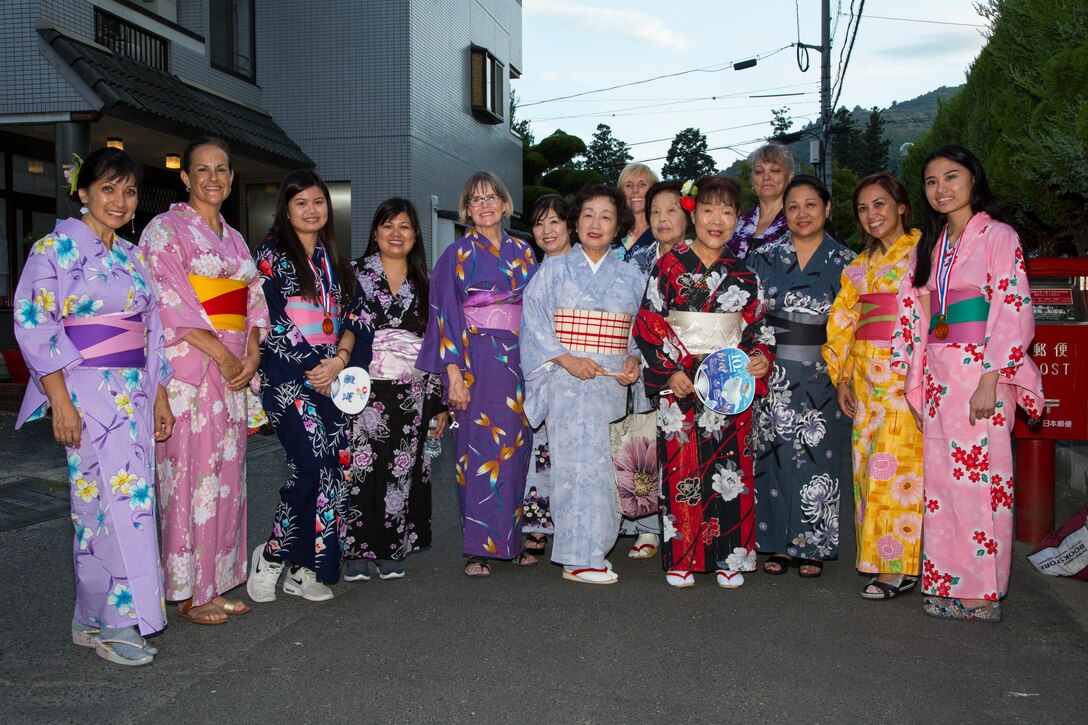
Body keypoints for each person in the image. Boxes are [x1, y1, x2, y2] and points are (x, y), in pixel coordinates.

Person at [14, 148, 174, 665]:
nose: (119, 201)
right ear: (82, 192)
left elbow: (153, 331)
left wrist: (160, 395)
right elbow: (35, 324)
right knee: (103, 507)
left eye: (129, 192)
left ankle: (91, 618)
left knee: (126, 505)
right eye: (107, 189)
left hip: (133, 391)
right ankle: (115, 622)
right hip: (84, 390)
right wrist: (59, 400)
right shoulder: (54, 249)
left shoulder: (132, 257)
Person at [895, 145, 1043, 622]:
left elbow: (1013, 304)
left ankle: (982, 590)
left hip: (981, 370)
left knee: (982, 482)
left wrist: (992, 376)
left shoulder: (998, 236)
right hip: (939, 372)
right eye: (932, 181)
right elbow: (917, 311)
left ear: (973, 181)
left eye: (951, 177)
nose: (941, 188)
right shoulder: (934, 245)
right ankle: (946, 581)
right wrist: (915, 379)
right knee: (943, 485)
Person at [140, 136, 269, 624]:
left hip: (231, 371)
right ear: (185, 177)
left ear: (232, 178)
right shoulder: (164, 231)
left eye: (221, 170)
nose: (213, 178)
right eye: (202, 170)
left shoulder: (234, 238)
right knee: (191, 482)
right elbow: (168, 301)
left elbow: (253, 301)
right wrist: (223, 353)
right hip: (194, 371)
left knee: (226, 481)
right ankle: (189, 592)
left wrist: (252, 352)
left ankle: (212, 581)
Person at [633, 176, 773, 588]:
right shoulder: (669, 265)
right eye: (709, 210)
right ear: (693, 214)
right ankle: (683, 557)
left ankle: (732, 559)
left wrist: (760, 358)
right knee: (682, 469)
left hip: (729, 383)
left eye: (728, 211)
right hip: (680, 382)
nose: (718, 220)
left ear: (736, 219)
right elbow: (650, 323)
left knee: (732, 471)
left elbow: (759, 329)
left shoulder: (745, 276)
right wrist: (670, 371)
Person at [244, 170, 372, 602]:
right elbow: (271, 320)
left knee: (334, 470)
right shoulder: (269, 256)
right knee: (311, 465)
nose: (311, 210)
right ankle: (274, 553)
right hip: (287, 377)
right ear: (285, 208)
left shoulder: (337, 262)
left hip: (333, 377)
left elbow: (357, 319)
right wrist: (317, 365)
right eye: (301, 203)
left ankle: (306, 568)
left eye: (318, 202)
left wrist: (338, 361)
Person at [522, 184, 647, 584]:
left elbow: (642, 332)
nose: (596, 224)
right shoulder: (554, 271)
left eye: (607, 217)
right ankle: (578, 556)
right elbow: (535, 324)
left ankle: (597, 548)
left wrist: (634, 360)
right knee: (573, 466)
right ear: (576, 222)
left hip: (610, 383)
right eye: (588, 214)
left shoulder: (631, 275)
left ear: (618, 226)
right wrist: (566, 359)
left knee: (608, 465)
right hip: (567, 380)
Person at [416, 172, 538, 577]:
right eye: (475, 200)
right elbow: (444, 317)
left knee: (517, 453)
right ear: (467, 210)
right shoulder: (455, 255)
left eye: (492, 198)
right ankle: (478, 549)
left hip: (519, 361)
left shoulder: (524, 252)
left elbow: (537, 314)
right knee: (477, 452)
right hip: (476, 361)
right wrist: (453, 375)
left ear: (505, 204)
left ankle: (513, 542)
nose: (485, 205)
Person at [822, 173, 925, 599]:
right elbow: (843, 323)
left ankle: (895, 568)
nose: (871, 215)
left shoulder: (925, 254)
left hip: (905, 377)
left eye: (879, 204)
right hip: (865, 379)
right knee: (867, 470)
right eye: (863, 209)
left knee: (897, 472)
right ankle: (879, 560)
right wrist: (842, 377)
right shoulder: (858, 267)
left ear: (901, 206)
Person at [747, 175, 855, 578]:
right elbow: (747, 314)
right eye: (792, 207)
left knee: (817, 459)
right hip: (771, 370)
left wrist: (845, 375)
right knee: (771, 455)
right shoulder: (763, 257)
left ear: (827, 209)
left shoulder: (849, 263)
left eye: (811, 205)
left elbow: (853, 326)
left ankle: (812, 545)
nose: (801, 213)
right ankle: (774, 543)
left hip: (821, 373)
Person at [342, 198, 445, 581]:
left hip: (412, 388)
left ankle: (389, 547)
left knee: (402, 467)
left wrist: (438, 403)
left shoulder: (428, 282)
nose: (396, 233)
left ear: (415, 234)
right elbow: (340, 326)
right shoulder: (353, 274)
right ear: (375, 232)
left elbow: (437, 342)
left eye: (404, 226)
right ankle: (354, 548)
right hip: (361, 382)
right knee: (360, 466)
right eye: (388, 226)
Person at [522, 194, 573, 556]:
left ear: (570, 225)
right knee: (542, 450)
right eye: (539, 223)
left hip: (582, 369)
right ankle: (539, 522)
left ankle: (576, 523)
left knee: (579, 453)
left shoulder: (585, 265)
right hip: (544, 370)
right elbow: (531, 329)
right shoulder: (533, 270)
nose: (547, 229)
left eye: (554, 220)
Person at [729, 143, 795, 259]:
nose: (766, 177)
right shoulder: (737, 222)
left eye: (774, 170)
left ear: (789, 176)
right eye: (759, 171)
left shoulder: (799, 221)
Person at [612, 162, 661, 274]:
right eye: (628, 185)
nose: (635, 190)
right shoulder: (611, 233)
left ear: (653, 190)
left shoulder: (663, 233)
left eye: (642, 184)